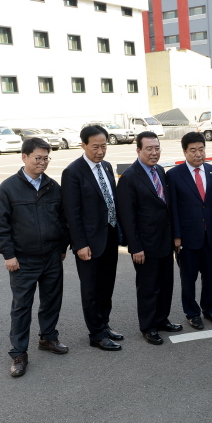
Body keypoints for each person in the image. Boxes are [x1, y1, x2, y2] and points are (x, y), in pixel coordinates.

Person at [0, 137, 70, 378]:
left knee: (51, 301)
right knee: (22, 306)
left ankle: (48, 338)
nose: (43, 163)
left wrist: (62, 246)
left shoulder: (53, 187)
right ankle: (18, 353)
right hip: (23, 260)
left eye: (46, 158)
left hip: (51, 257)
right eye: (38, 158)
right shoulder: (8, 188)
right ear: (24, 157)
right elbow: (0, 226)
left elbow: (62, 220)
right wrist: (9, 255)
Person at [61, 125, 124, 352]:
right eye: (95, 146)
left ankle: (104, 325)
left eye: (104, 146)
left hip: (109, 236)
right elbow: (72, 212)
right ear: (83, 145)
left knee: (106, 286)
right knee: (91, 290)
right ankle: (96, 334)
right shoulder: (73, 172)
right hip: (88, 242)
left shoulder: (106, 167)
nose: (100, 151)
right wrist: (80, 244)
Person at [117, 131, 183, 345]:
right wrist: (135, 247)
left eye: (157, 148)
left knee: (166, 284)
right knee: (148, 287)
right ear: (138, 150)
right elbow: (127, 217)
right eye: (149, 149)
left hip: (164, 240)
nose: (154, 153)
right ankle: (148, 326)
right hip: (145, 245)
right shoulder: (129, 177)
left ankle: (162, 319)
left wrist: (174, 237)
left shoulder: (160, 171)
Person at [167, 132, 212, 330]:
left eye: (201, 149)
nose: (198, 154)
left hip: (210, 235)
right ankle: (192, 313)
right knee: (188, 279)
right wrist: (176, 236)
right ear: (185, 152)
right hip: (187, 237)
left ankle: (210, 309)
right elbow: (172, 207)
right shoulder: (174, 175)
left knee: (210, 276)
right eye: (193, 150)